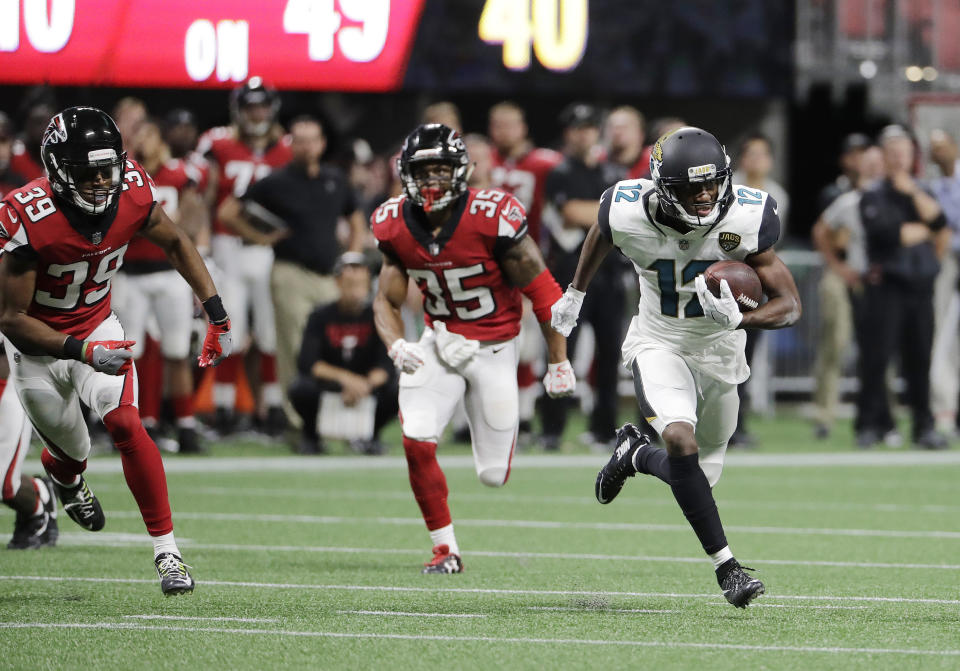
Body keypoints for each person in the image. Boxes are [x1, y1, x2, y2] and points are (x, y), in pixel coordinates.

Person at [552, 126, 801, 607]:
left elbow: (790, 305)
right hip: (658, 340)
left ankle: (635, 454)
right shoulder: (627, 207)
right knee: (680, 439)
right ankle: (728, 569)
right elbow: (601, 231)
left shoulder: (747, 216)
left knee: (697, 477)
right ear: (664, 189)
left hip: (720, 349)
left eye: (713, 183)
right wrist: (576, 290)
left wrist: (743, 319)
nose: (706, 195)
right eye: (692, 187)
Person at [0, 106, 233, 593]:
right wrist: (81, 353)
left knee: (126, 421)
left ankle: (168, 554)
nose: (103, 183)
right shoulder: (27, 217)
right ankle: (63, 477)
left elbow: (175, 241)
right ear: (59, 171)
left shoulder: (132, 187)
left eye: (108, 169)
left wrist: (216, 313)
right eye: (89, 174)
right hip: (40, 349)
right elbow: (11, 320)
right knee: (72, 452)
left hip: (99, 324)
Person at [371, 124, 575, 573]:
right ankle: (445, 550)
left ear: (461, 172)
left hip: (496, 347)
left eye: (440, 170)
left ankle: (492, 456)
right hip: (439, 341)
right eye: (422, 172)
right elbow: (385, 299)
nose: (431, 181)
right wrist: (397, 344)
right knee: (416, 438)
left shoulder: (492, 214)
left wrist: (559, 360)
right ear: (405, 174)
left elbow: (543, 291)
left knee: (492, 475)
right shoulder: (393, 223)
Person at [234, 115, 367, 419]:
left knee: (335, 344)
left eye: (312, 140)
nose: (307, 146)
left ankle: (336, 415)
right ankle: (301, 419)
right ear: (291, 144)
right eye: (300, 140)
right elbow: (230, 212)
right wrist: (261, 237)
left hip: (328, 275)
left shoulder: (335, 179)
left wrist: (353, 259)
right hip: (290, 272)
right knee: (295, 346)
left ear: (322, 144)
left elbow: (356, 220)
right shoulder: (276, 181)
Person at [198, 77, 292, 436]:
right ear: (239, 110)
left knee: (269, 332)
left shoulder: (285, 149)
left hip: (268, 249)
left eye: (262, 106)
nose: (257, 113)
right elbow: (206, 198)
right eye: (251, 107)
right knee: (228, 326)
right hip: (228, 248)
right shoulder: (218, 145)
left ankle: (271, 409)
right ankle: (223, 408)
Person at [112, 118, 209, 453]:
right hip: (131, 273)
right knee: (130, 354)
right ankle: (136, 422)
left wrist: (183, 227)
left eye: (150, 134)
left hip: (170, 272)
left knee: (177, 350)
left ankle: (185, 424)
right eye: (140, 135)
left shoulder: (178, 174)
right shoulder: (123, 176)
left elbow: (195, 216)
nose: (145, 141)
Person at [540, 103, 626, 451]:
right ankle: (551, 429)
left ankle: (604, 430)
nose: (585, 133)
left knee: (609, 358)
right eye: (578, 128)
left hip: (608, 277)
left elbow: (614, 215)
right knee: (563, 352)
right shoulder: (560, 172)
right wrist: (607, 211)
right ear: (568, 134)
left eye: (590, 127)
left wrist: (600, 212)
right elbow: (574, 213)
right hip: (571, 278)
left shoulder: (610, 171)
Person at [857, 125, 949, 449]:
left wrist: (912, 194)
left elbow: (940, 223)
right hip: (888, 286)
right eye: (892, 152)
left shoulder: (922, 190)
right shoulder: (873, 193)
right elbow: (889, 234)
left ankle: (924, 426)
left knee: (920, 358)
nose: (898, 158)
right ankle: (869, 425)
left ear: (912, 156)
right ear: (883, 155)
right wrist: (922, 228)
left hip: (920, 287)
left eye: (904, 152)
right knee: (878, 357)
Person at [488, 102, 564, 439]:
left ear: (523, 127)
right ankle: (487, 415)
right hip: (488, 264)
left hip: (528, 259)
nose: (502, 131)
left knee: (528, 345)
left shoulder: (544, 163)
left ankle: (523, 413)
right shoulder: (485, 161)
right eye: (497, 124)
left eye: (509, 124)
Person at [288, 252, 397, 455]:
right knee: (300, 388)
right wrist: (346, 380)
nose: (355, 289)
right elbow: (308, 362)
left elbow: (386, 365)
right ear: (338, 282)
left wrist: (364, 385)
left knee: (397, 389)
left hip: (367, 388)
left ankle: (371, 435)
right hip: (331, 386)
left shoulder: (378, 316)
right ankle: (311, 435)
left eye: (360, 282)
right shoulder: (320, 316)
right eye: (350, 283)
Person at [810, 143, 884, 440]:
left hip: (881, 279)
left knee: (881, 349)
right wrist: (838, 267)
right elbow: (825, 232)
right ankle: (824, 414)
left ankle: (883, 414)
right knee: (836, 342)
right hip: (847, 272)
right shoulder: (843, 196)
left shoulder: (893, 195)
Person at [927, 129, 960, 436]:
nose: (938, 153)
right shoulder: (933, 188)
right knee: (943, 334)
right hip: (947, 261)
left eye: (942, 147)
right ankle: (945, 408)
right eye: (933, 149)